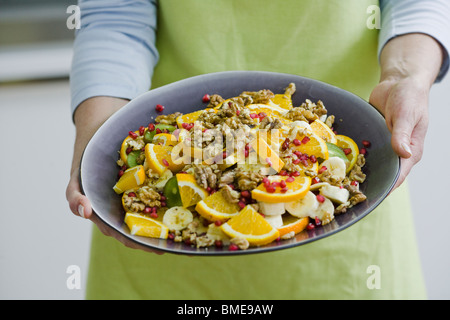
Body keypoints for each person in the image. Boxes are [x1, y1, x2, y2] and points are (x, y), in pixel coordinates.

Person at [66, 0, 450, 299]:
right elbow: (113, 16)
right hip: (164, 221)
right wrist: (101, 133)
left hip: (350, 242)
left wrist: (405, 76)